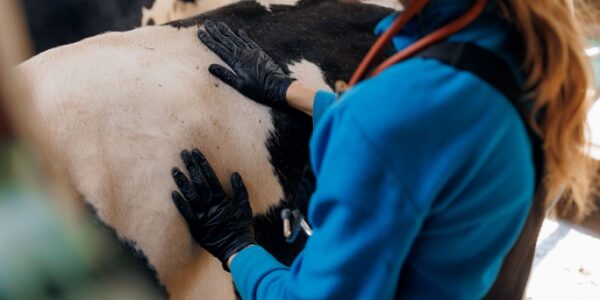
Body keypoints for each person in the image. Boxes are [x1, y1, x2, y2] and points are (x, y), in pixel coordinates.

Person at [169, 0, 599, 299]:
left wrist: (238, 250)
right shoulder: (520, 51)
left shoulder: (389, 117)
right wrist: (291, 91)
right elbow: (431, 136)